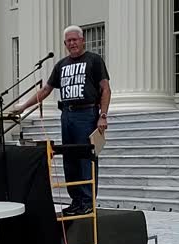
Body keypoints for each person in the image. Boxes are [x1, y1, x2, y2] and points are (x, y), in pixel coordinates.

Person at [11, 25, 111, 216]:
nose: (72, 43)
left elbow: (105, 89)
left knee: (85, 158)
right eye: (68, 41)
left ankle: (88, 201)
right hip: (67, 115)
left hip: (87, 113)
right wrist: (23, 106)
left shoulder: (94, 60)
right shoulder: (61, 65)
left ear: (83, 41)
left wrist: (103, 115)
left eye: (75, 39)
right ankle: (76, 200)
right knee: (69, 159)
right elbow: (46, 90)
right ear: (65, 44)